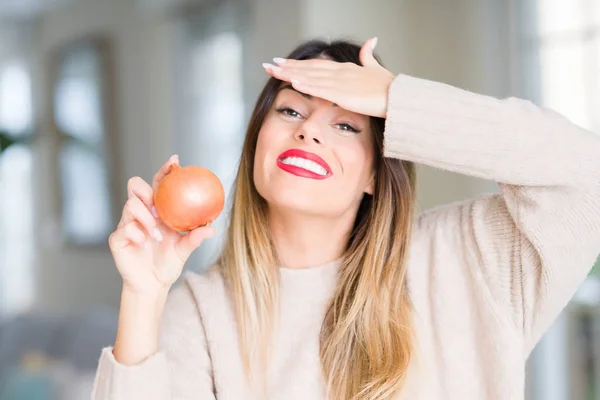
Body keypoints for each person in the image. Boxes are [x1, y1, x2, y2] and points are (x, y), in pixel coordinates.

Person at [91, 38, 600, 400]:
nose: (310, 130)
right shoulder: (200, 314)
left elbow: (587, 174)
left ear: (378, 172)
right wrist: (143, 295)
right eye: (290, 111)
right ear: (256, 146)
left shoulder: (467, 258)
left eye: (345, 123)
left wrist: (394, 98)